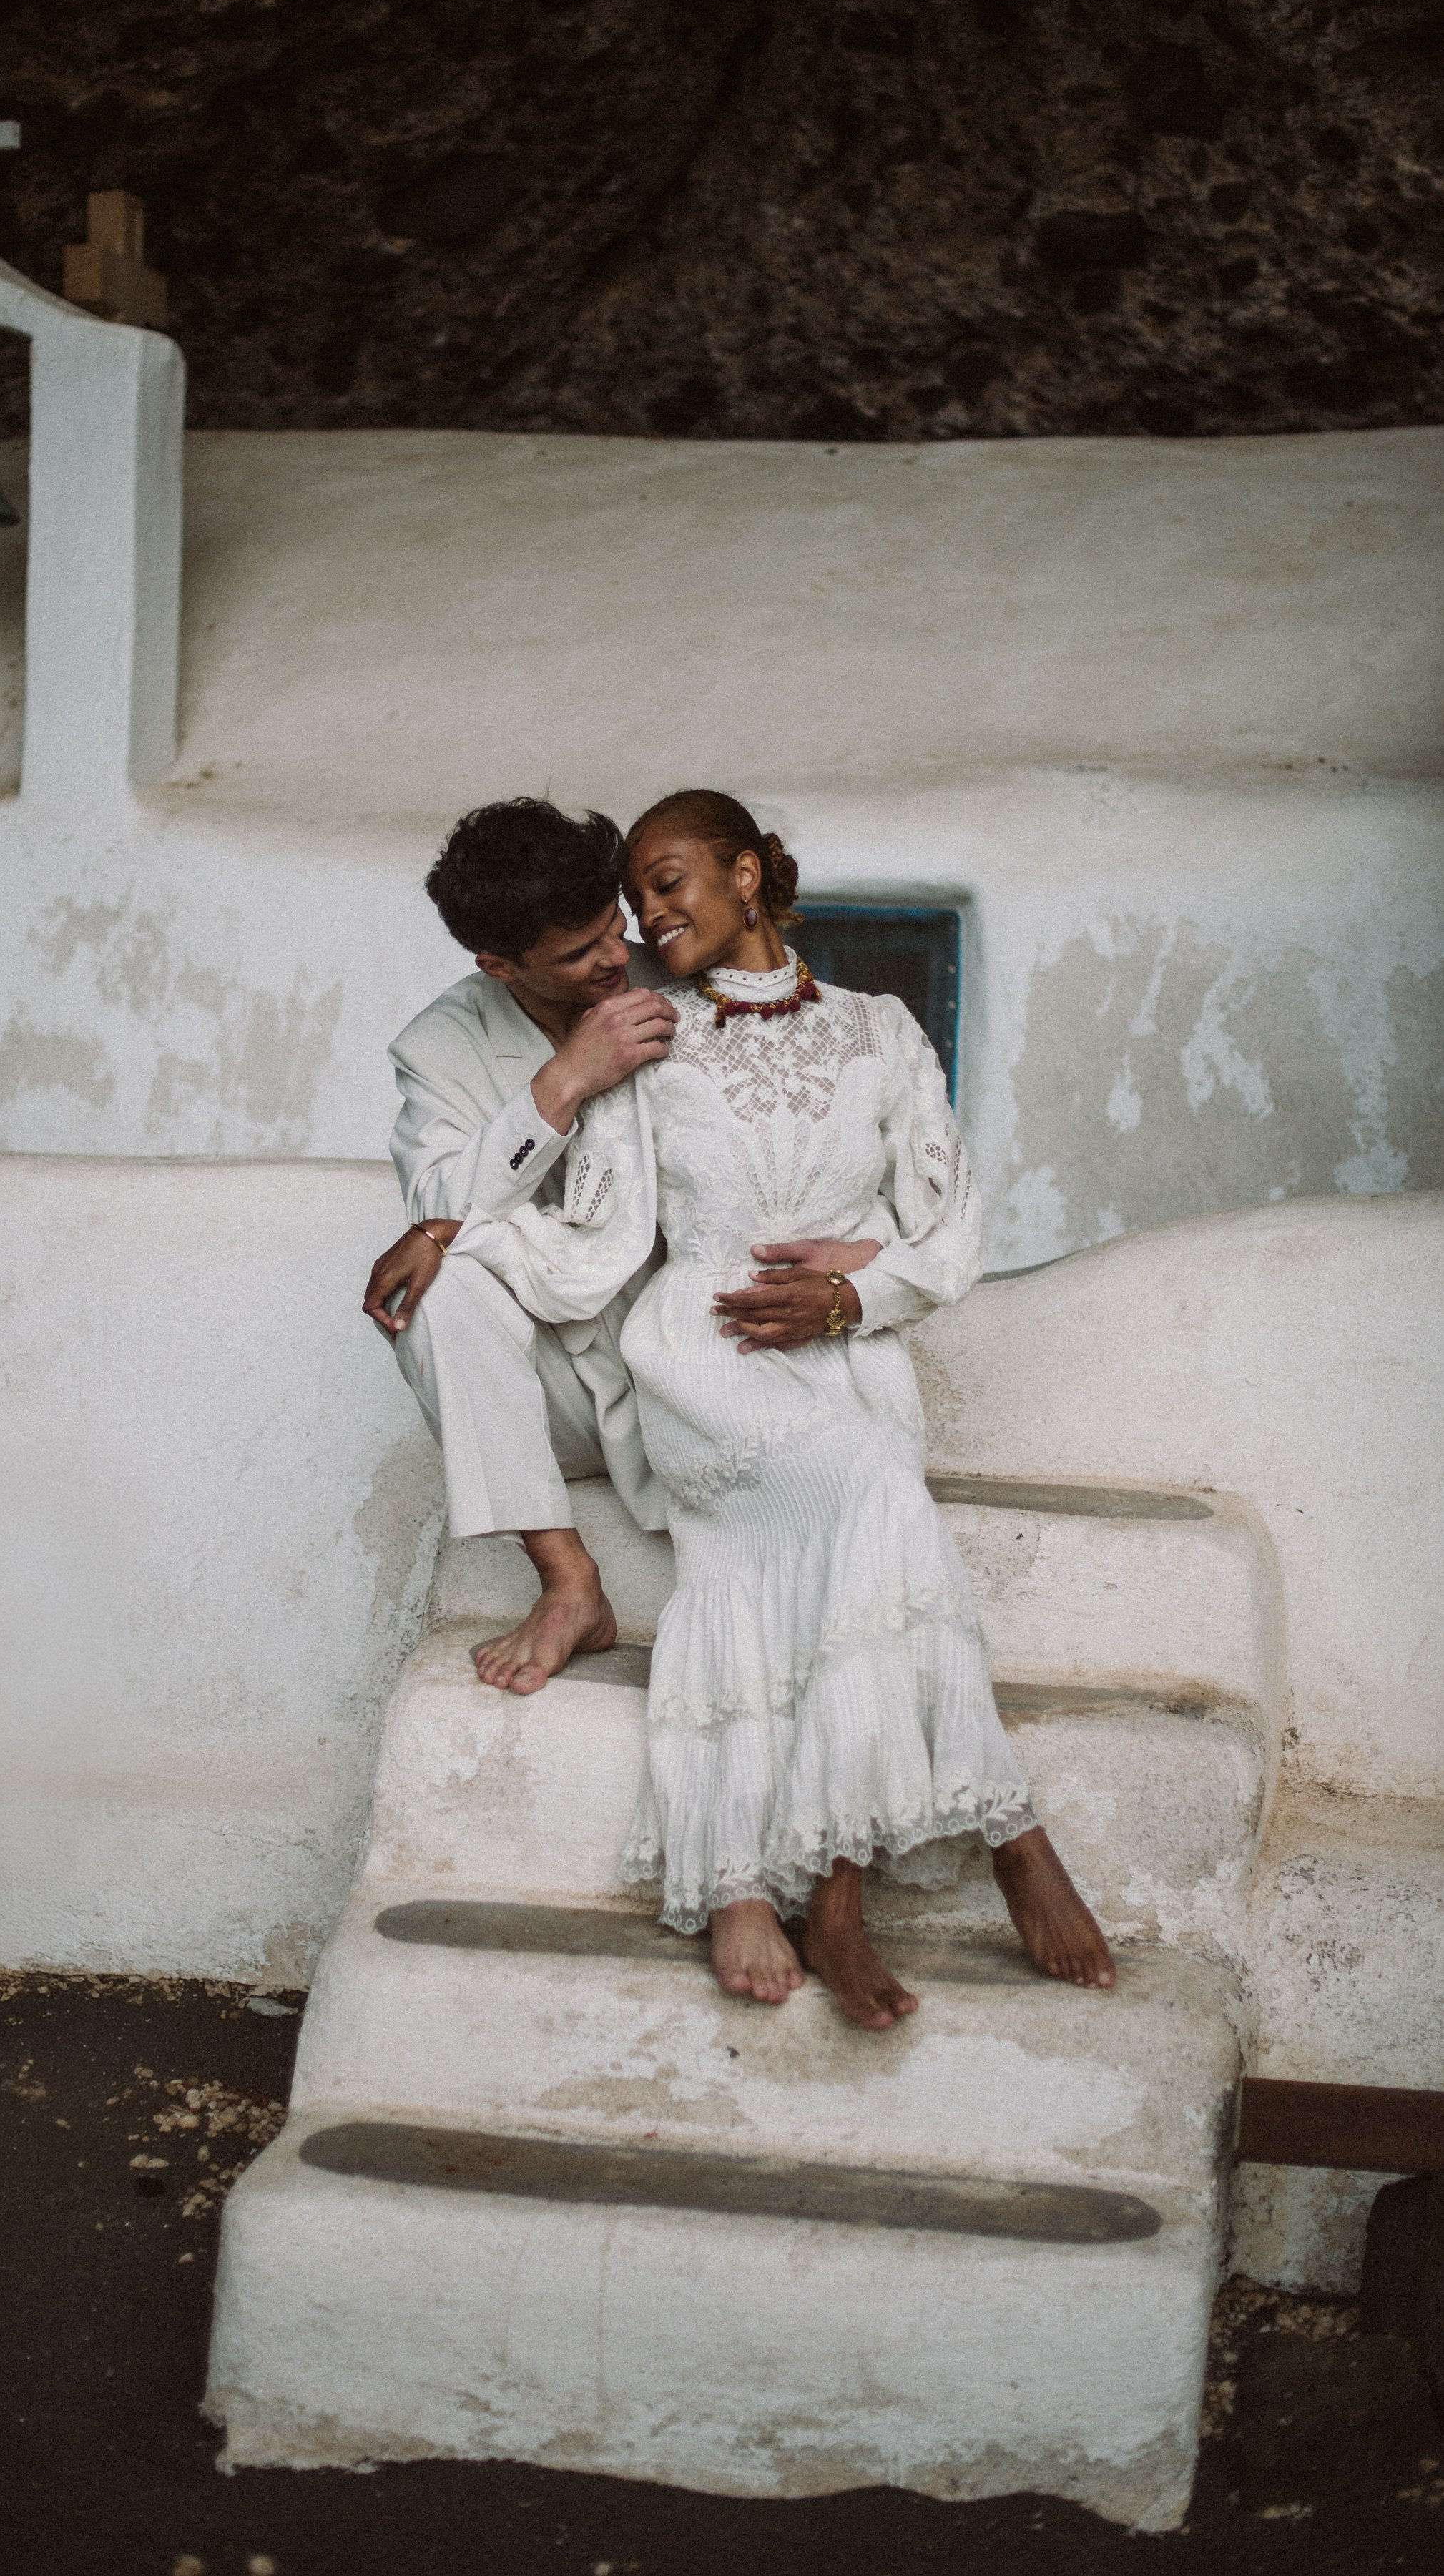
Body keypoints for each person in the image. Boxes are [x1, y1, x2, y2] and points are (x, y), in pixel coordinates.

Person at [429, 789, 1116, 2027]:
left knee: (859, 1506)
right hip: (706, 1353)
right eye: (635, 898)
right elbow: (594, 1250)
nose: (647, 916)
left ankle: (828, 1893)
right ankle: (1015, 1838)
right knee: (877, 1494)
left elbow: (948, 1234)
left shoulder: (882, 1029)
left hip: (850, 1358)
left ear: (746, 874)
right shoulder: (647, 1038)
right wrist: (455, 1239)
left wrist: (856, 1291)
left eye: (668, 882)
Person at [366, 798, 873, 1696]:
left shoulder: (682, 976)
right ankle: (568, 1582)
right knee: (435, 1287)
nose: (614, 955)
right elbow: (432, 1212)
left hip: (702, 1347)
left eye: (613, 925)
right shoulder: (438, 1047)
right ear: (497, 964)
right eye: (578, 952)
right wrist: (562, 1083)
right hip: (555, 1384)